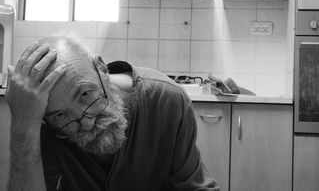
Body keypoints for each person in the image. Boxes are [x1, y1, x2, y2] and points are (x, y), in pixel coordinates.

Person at [6, 36, 218, 191]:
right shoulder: (44, 124)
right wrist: (22, 127)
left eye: (85, 94)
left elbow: (195, 185)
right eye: (61, 116)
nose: (87, 124)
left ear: (102, 69)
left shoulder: (166, 99)